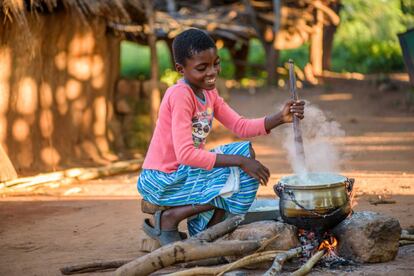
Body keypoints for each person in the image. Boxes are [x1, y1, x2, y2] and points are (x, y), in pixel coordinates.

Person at [137, 28, 305, 245]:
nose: (212, 72)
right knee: (241, 167)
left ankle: (207, 231)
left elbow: (240, 125)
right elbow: (186, 154)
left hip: (183, 174)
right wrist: (241, 162)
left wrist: (280, 118)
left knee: (245, 154)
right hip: (161, 180)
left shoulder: (209, 93)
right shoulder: (180, 95)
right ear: (181, 69)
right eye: (202, 68)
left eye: (215, 63)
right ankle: (171, 218)